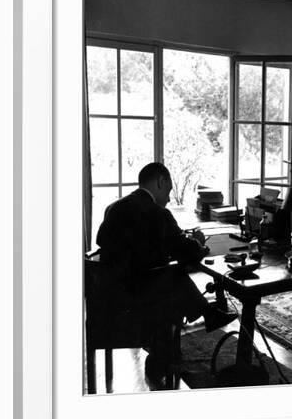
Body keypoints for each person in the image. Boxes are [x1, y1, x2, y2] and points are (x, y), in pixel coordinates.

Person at [95, 162, 237, 386]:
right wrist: (199, 243)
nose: (170, 198)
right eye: (169, 190)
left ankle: (207, 315)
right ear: (161, 182)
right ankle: (166, 354)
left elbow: (103, 243)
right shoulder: (157, 214)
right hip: (141, 301)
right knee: (173, 275)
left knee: (169, 275)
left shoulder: (114, 208)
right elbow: (188, 254)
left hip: (109, 299)